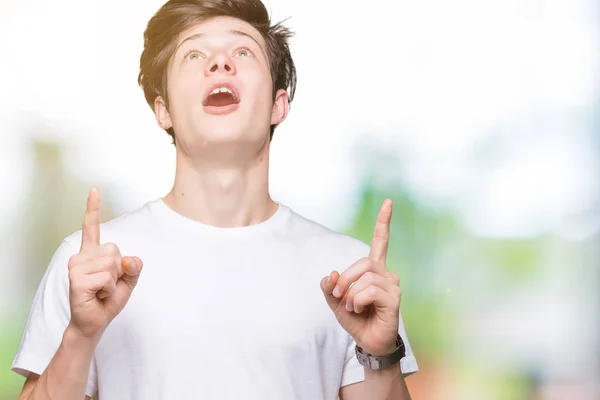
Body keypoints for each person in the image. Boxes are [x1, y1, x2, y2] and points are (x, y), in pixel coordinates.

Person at [12, 0, 419, 399]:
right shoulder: (90, 267)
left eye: (242, 51)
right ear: (163, 110)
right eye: (193, 55)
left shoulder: (349, 275)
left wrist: (381, 354)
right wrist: (80, 337)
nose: (220, 63)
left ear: (279, 104)